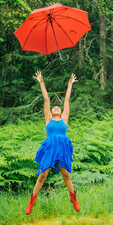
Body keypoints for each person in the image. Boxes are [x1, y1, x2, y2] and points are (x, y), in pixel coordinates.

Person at [25, 71, 80, 215]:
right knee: (42, 176)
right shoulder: (48, 119)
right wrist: (41, 82)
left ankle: (73, 197)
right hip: (50, 148)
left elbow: (67, 101)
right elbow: (46, 100)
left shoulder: (64, 119)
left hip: (62, 148)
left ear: (61, 112)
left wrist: (69, 85)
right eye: (53, 108)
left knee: (66, 175)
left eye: (58, 108)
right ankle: (32, 201)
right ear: (50, 112)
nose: (56, 107)